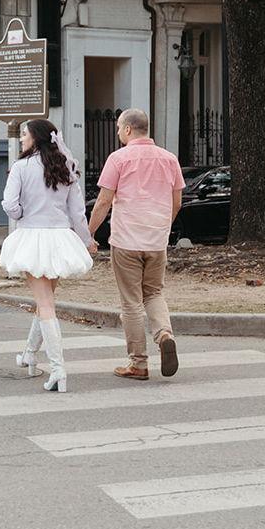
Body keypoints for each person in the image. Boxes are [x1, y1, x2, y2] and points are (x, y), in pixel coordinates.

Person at [86, 108, 185, 380]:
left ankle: (138, 363)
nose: (118, 132)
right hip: (156, 240)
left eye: (119, 128)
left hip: (126, 240)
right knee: (153, 293)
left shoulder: (118, 158)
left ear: (128, 129)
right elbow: (176, 202)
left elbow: (104, 200)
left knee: (131, 302)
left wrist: (89, 233)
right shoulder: (169, 159)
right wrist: (163, 227)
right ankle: (164, 334)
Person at [0, 118, 94, 393]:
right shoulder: (66, 166)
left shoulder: (20, 167)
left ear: (36, 138)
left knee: (46, 305)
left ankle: (58, 370)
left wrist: (21, 214)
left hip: (33, 236)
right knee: (46, 301)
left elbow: (9, 205)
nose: (21, 139)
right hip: (60, 238)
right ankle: (29, 353)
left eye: (24, 134)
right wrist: (87, 240)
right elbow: (77, 212)